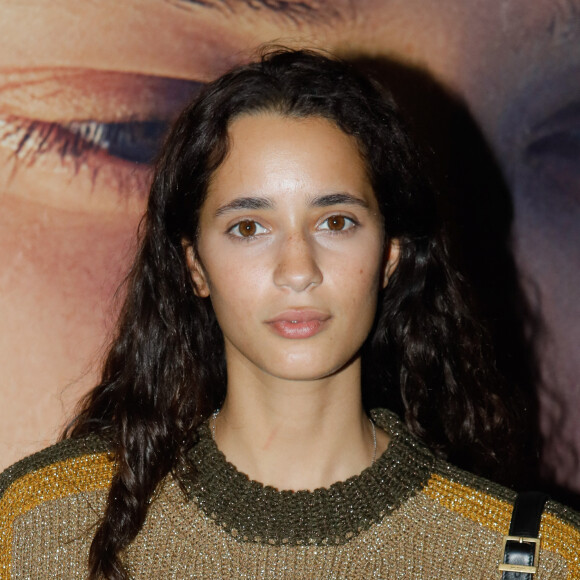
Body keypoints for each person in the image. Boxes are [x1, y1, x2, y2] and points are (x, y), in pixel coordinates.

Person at [0, 48, 578, 579]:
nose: (297, 269)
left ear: (389, 257)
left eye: (336, 222)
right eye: (249, 228)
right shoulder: (43, 533)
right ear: (195, 264)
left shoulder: (528, 558)